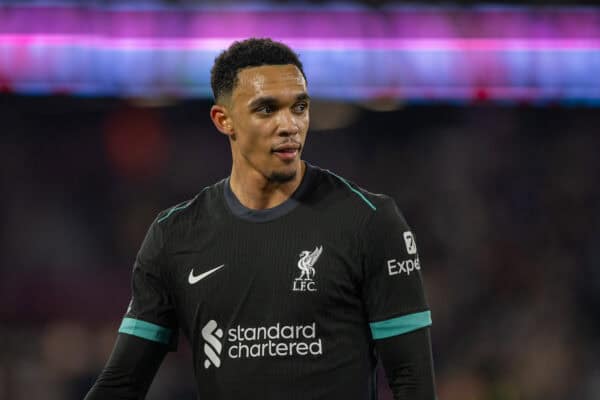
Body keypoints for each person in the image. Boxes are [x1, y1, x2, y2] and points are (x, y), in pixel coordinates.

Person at [85, 38, 436, 400]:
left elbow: (412, 381)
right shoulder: (174, 235)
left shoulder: (370, 221)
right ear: (224, 120)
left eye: (299, 107)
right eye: (267, 109)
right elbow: (122, 383)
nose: (290, 125)